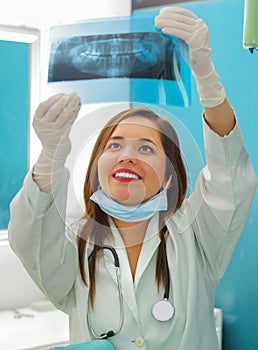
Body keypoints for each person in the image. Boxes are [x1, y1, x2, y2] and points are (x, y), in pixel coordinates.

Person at [8, 7, 257, 350]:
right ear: (97, 166)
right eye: (115, 144)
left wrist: (207, 81)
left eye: (146, 148)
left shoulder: (197, 234)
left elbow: (231, 178)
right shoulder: (73, 247)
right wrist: (50, 154)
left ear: (169, 178)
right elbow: (29, 235)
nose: (127, 155)